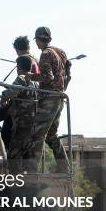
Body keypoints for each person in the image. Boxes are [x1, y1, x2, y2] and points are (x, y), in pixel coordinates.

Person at [25, 27, 71, 172]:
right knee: (51, 135)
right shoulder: (60, 52)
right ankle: (64, 168)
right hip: (59, 98)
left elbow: (47, 76)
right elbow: (67, 74)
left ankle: (31, 171)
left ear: (38, 40)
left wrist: (30, 77)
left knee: (37, 134)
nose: (37, 44)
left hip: (49, 99)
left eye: (36, 41)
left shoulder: (45, 54)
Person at [4, 56, 39, 161]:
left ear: (18, 67)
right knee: (28, 156)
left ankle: (15, 177)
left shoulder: (21, 78)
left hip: (22, 123)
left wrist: (3, 98)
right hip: (34, 124)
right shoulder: (36, 82)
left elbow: (11, 92)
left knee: (14, 156)